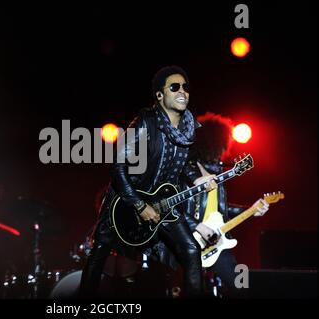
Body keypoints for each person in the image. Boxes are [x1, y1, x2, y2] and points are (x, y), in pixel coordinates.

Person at [79, 66, 217, 298]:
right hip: (125, 202)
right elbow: (117, 166)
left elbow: (184, 165)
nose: (183, 91)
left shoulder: (188, 128)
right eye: (175, 87)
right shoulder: (145, 122)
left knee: (191, 251)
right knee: (100, 251)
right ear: (160, 95)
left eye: (185, 87)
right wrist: (139, 205)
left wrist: (198, 178)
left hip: (163, 203)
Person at [182, 112, 269, 297]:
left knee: (242, 287)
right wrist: (199, 227)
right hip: (189, 240)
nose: (225, 149)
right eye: (223, 143)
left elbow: (221, 209)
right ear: (212, 142)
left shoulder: (218, 172)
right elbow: (174, 208)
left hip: (215, 242)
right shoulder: (185, 168)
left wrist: (252, 210)